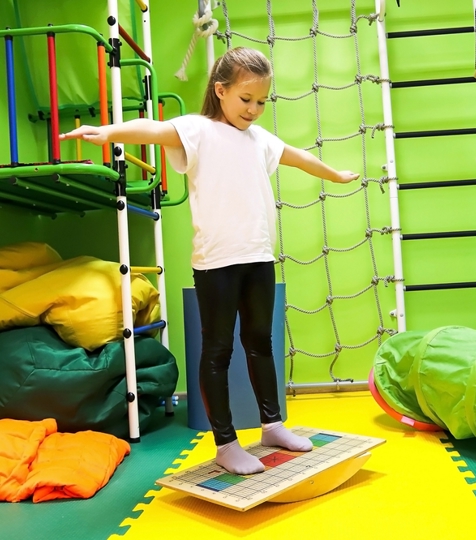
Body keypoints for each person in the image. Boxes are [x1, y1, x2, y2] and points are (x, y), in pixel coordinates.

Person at [60, 46, 359, 475]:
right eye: (245, 99)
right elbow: (152, 128)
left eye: (261, 101)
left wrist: (335, 174)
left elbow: (299, 156)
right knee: (218, 351)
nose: (254, 109)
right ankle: (225, 442)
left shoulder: (260, 141)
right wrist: (108, 132)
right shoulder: (197, 130)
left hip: (258, 256)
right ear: (220, 91)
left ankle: (272, 425)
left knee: (260, 343)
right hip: (217, 263)